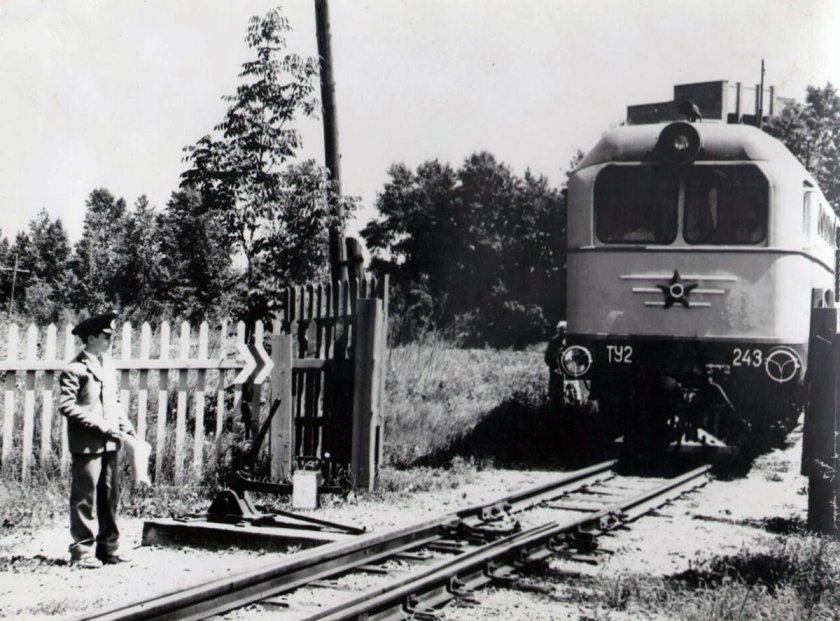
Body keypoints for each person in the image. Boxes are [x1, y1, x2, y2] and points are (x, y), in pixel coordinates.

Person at [59, 312, 135, 568]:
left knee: (110, 496)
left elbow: (112, 402)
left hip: (110, 443)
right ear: (90, 338)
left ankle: (108, 549)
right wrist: (99, 423)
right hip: (87, 444)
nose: (110, 341)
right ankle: (82, 552)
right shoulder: (74, 368)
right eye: (106, 336)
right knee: (85, 498)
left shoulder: (108, 366)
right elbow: (66, 406)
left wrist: (125, 424)